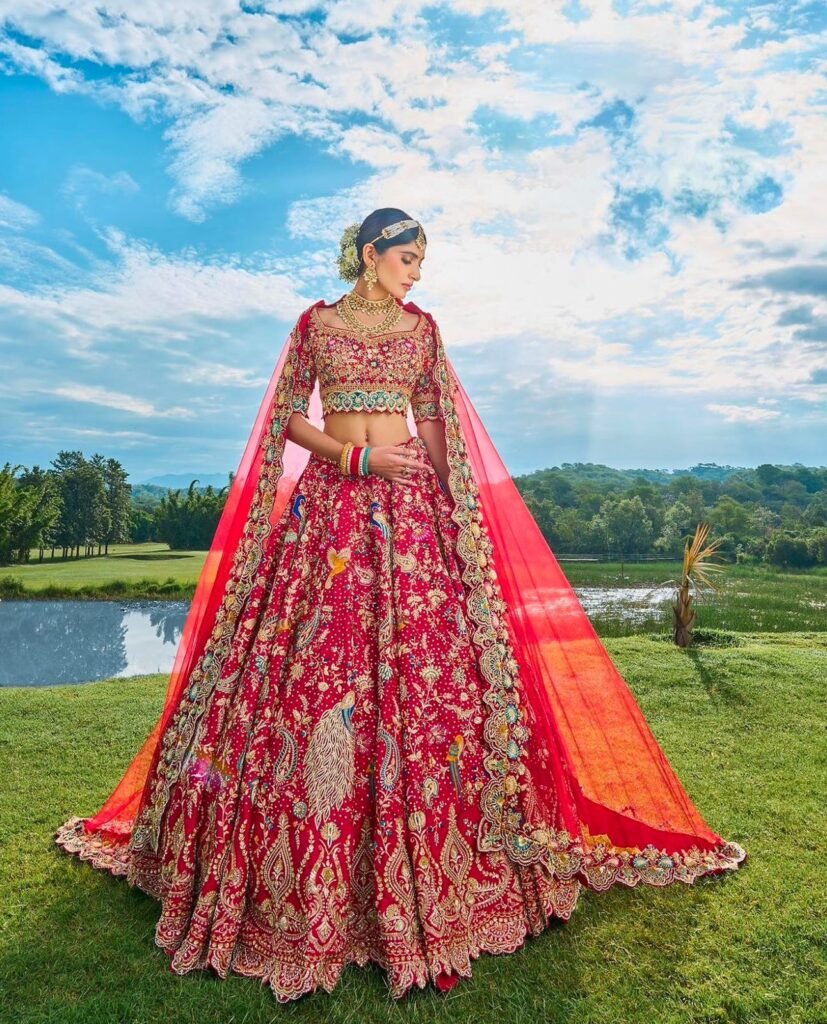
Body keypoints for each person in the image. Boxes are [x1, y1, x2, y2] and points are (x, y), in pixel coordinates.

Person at [56, 208, 747, 1002]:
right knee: (311, 675)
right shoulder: (314, 325)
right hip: (331, 512)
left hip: (414, 514)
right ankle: (294, 882)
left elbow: (440, 427)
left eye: (422, 260)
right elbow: (285, 416)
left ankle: (453, 875)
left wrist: (462, 513)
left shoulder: (423, 331)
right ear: (368, 253)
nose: (415, 272)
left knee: (432, 681)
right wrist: (353, 456)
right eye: (406, 257)